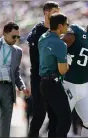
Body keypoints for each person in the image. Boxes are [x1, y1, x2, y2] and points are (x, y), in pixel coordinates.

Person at [61, 14, 88, 137]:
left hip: (85, 87)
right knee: (61, 121)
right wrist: (64, 56)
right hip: (68, 84)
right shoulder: (77, 32)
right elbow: (58, 44)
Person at [26, 1, 60, 137]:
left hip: (55, 79)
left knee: (55, 115)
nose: (58, 15)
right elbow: (35, 59)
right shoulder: (37, 31)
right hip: (39, 78)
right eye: (55, 12)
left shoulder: (59, 30)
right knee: (39, 114)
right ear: (46, 12)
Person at [38, 13, 71, 137]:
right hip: (53, 84)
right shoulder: (60, 44)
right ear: (60, 26)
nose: (68, 27)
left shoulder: (43, 37)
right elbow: (62, 70)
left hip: (44, 83)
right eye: (67, 24)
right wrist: (68, 63)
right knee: (65, 118)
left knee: (54, 120)